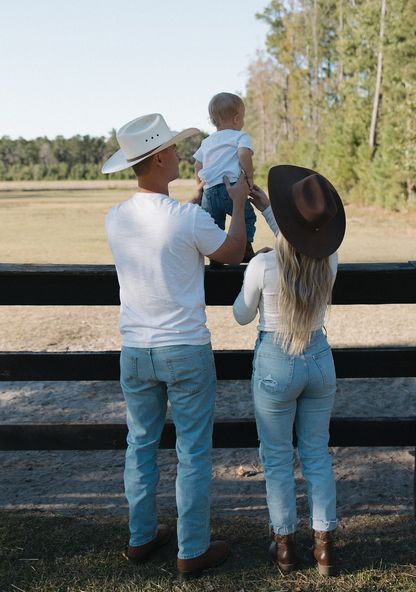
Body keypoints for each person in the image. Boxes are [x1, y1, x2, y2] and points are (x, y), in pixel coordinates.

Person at [102, 112, 250, 579]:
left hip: (135, 349)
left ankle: (141, 537)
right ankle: (192, 549)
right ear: (161, 157)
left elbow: (165, 226)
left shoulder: (117, 218)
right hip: (184, 348)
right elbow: (230, 252)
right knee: (192, 453)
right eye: (174, 148)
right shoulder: (187, 219)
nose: (182, 154)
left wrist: (192, 205)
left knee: (140, 446)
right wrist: (241, 202)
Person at [233, 165, 346, 576]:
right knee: (317, 454)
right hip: (319, 358)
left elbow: (242, 316)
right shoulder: (329, 260)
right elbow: (302, 241)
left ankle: (284, 547)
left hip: (275, 363)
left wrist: (255, 261)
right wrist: (268, 211)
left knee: (278, 458)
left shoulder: (263, 267)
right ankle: (325, 549)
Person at [193, 92, 256, 264]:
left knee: (214, 224)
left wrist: (200, 186)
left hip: (210, 192)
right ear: (237, 119)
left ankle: (216, 257)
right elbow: (243, 154)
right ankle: (245, 248)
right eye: (242, 118)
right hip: (233, 188)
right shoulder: (240, 136)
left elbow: (197, 165)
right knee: (246, 217)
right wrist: (249, 176)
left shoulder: (207, 142)